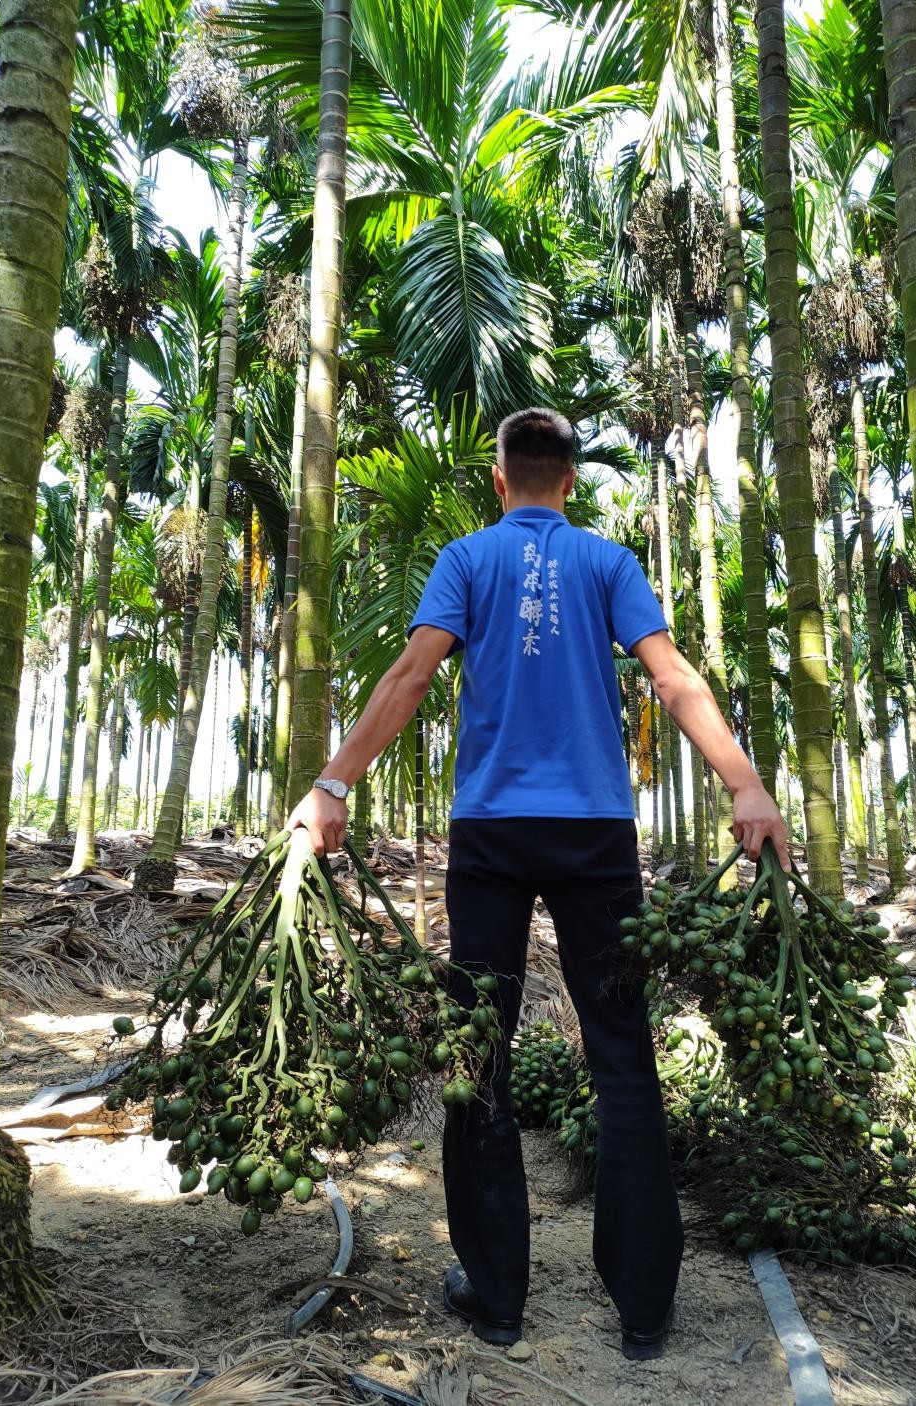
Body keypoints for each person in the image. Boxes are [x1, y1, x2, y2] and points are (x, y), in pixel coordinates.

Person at [287, 407, 790, 1361]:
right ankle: (644, 1309)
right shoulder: (608, 563)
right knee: (622, 1054)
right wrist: (747, 785)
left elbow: (409, 674)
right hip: (597, 832)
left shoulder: (468, 560)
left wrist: (333, 783)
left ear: (499, 477)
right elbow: (674, 676)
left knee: (479, 1053)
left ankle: (498, 1293)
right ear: (567, 482)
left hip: (491, 835)